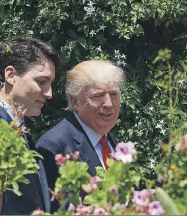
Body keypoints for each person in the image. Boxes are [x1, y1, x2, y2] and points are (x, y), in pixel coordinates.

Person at [0, 37, 61, 214]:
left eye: (50, 84)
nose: (49, 93)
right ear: (11, 75)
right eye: (41, 82)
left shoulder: (18, 130)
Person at [36, 60, 125, 212]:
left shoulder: (109, 138)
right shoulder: (53, 146)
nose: (109, 104)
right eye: (97, 96)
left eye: (114, 94)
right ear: (74, 101)